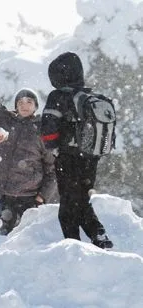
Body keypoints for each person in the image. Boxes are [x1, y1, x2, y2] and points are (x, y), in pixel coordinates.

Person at [41, 52, 113, 249]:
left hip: (68, 157)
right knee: (81, 198)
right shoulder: (91, 96)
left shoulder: (58, 96)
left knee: (68, 205)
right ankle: (99, 236)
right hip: (91, 157)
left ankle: (73, 248)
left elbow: (48, 129)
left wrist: (54, 149)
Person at [0, 89, 57, 235]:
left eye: (29, 102)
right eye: (20, 102)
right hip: (2, 194)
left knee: (27, 239)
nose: (24, 105)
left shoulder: (42, 130)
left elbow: (52, 168)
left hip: (30, 197)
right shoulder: (5, 123)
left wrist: (42, 196)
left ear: (36, 106)